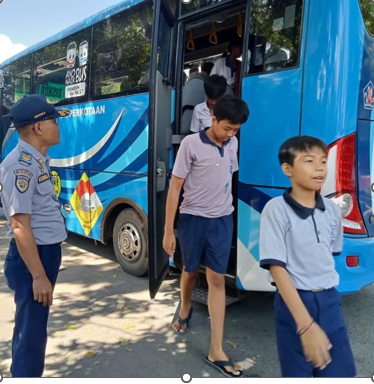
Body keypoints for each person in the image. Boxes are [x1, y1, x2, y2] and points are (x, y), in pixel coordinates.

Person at [163, 95, 249, 378]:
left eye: (235, 130)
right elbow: (175, 188)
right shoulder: (191, 144)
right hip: (192, 220)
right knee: (189, 271)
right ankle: (185, 306)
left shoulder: (232, 143)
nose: (230, 135)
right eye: (227, 128)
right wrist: (168, 231)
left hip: (222, 220)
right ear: (212, 118)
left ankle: (216, 349)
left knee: (215, 280)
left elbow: (228, 175)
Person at [259, 136, 356, 377]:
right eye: (309, 161)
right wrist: (306, 325)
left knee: (339, 373)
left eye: (323, 161)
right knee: (298, 373)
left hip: (330, 301)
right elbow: (276, 268)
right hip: (295, 305)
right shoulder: (276, 209)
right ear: (287, 169)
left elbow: (329, 255)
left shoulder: (332, 210)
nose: (319, 168)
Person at [0, 94, 69, 377]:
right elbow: (19, 226)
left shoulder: (37, 159)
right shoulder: (19, 166)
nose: (58, 126)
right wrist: (39, 276)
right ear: (38, 127)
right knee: (32, 334)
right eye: (54, 120)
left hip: (43, 253)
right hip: (33, 260)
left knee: (32, 328)